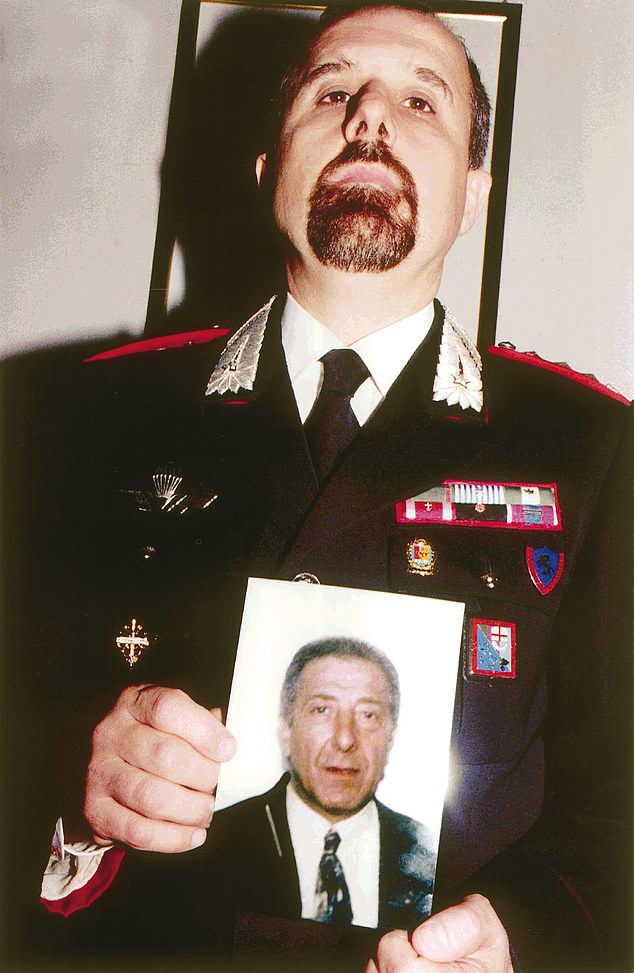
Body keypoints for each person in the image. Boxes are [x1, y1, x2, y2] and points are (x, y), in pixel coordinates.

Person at [25, 2, 631, 972]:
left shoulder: (596, 447)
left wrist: (528, 934)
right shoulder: (76, 414)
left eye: (421, 102)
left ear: (473, 192)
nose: (370, 120)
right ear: (269, 170)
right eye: (334, 90)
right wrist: (69, 779)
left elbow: (619, 810)